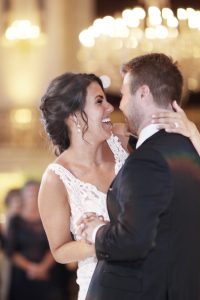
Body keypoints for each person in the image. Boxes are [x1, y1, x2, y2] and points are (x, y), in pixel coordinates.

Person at [38, 71, 200, 300]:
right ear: (74, 115)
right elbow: (59, 251)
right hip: (99, 288)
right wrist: (104, 239)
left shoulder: (124, 142)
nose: (110, 107)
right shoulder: (56, 179)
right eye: (98, 101)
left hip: (149, 281)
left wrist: (192, 133)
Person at [6, 180, 68, 300]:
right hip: (23, 275)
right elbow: (11, 250)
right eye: (30, 194)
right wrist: (31, 268)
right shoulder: (15, 220)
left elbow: (59, 242)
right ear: (23, 196)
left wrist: (43, 267)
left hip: (49, 272)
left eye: (36, 194)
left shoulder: (50, 217)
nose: (33, 198)